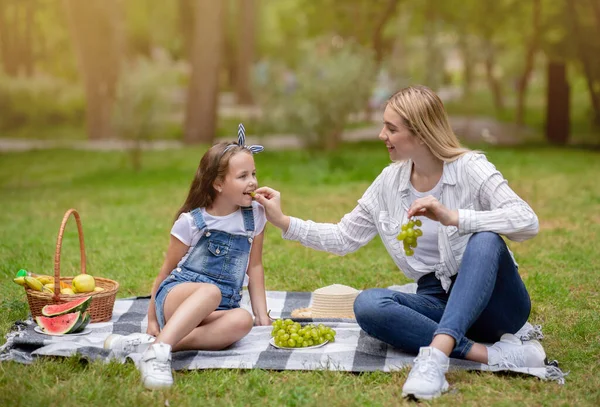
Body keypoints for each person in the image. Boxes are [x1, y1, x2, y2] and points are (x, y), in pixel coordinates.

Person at [253, 86, 546, 400]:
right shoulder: (389, 183)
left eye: (391, 128)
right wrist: (283, 221)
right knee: (368, 304)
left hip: (497, 305)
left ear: (421, 133)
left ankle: (434, 358)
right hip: (437, 299)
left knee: (485, 240)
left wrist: (454, 217)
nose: (382, 135)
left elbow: (527, 220)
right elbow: (343, 237)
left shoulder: (470, 168)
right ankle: (490, 355)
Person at [104, 124, 271, 390]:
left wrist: (262, 315)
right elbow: (165, 271)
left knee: (242, 320)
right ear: (218, 184)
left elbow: (256, 265)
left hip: (220, 309)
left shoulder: (255, 217)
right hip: (177, 299)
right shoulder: (192, 222)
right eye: (242, 176)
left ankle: (153, 347)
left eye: (254, 173)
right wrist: (151, 319)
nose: (252, 181)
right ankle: (158, 353)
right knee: (210, 292)